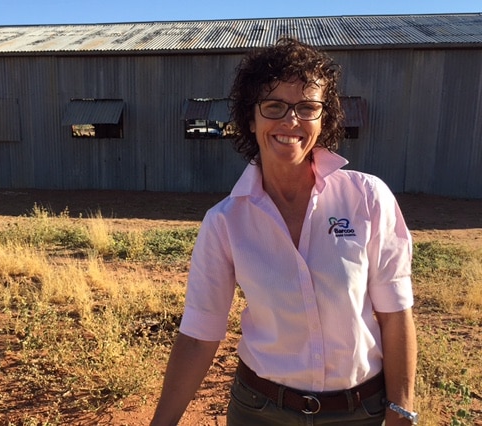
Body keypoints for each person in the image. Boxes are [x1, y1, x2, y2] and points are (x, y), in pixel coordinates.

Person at [150, 38, 417, 425]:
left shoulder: (367, 198)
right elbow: (198, 334)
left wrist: (402, 410)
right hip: (261, 411)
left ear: (324, 119)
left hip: (361, 413)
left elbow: (395, 314)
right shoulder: (225, 221)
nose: (290, 121)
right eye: (273, 106)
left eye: (307, 108)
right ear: (250, 117)